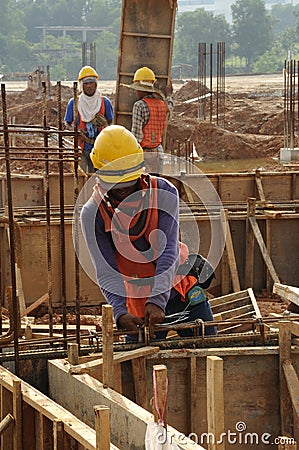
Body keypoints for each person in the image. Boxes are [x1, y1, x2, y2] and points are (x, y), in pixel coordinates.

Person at [80, 125, 216, 340]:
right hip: (139, 303)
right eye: (117, 189)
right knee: (139, 366)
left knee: (209, 345)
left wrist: (157, 300)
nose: (124, 194)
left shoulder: (163, 192)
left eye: (129, 187)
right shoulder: (92, 214)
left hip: (180, 289)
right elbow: (106, 270)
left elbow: (168, 251)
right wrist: (119, 312)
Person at [64, 66, 114, 173]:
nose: (89, 86)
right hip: (81, 148)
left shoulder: (104, 102)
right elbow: (67, 123)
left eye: (91, 83)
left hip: (100, 149)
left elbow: (110, 124)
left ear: (96, 84)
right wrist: (75, 131)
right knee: (81, 176)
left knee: (96, 178)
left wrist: (104, 126)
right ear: (82, 85)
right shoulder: (74, 103)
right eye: (86, 83)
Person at [128, 67, 172, 176]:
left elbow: (137, 135)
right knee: (156, 187)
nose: (136, 92)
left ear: (142, 89)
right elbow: (170, 109)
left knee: (143, 188)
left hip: (144, 155)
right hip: (158, 152)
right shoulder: (162, 104)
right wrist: (169, 95)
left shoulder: (139, 105)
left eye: (137, 89)